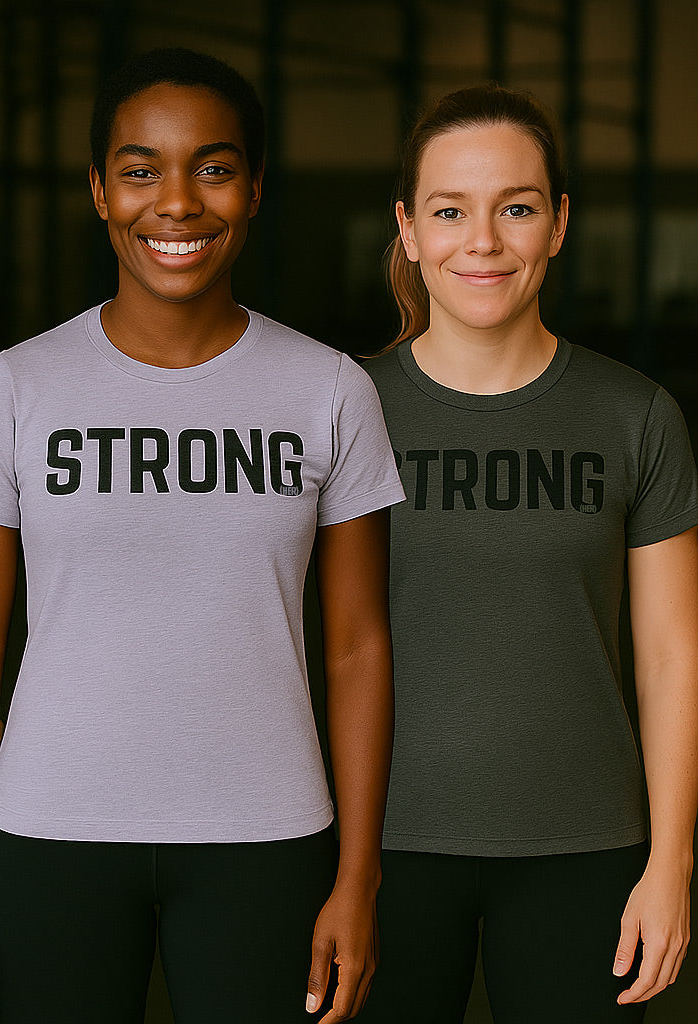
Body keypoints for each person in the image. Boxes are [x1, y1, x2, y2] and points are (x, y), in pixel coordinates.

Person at [0, 47, 405, 1024]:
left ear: (254, 187)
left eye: (213, 168)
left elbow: (357, 648)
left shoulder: (329, 390)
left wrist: (358, 876)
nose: (175, 203)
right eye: (141, 170)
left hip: (268, 840)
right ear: (100, 191)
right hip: (46, 835)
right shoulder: (17, 387)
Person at [359, 83, 698, 1023]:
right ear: (409, 230)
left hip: (584, 848)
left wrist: (671, 863)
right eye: (450, 210)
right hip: (376, 848)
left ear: (556, 225)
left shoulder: (636, 416)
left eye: (516, 207)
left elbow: (674, 659)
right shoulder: (341, 410)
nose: (484, 240)